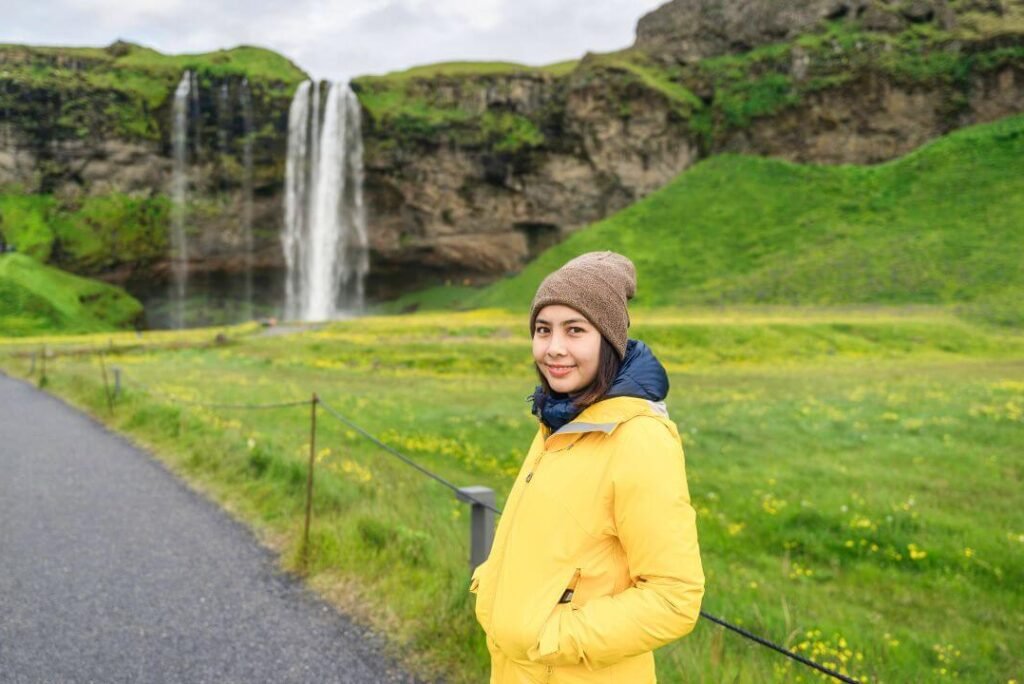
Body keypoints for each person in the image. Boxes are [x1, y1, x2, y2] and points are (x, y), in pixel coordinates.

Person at [469, 251, 705, 683]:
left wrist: (551, 636)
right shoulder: (559, 419)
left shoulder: (639, 439)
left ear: (608, 341)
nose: (554, 348)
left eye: (574, 330)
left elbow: (675, 598)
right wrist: (493, 591)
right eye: (543, 330)